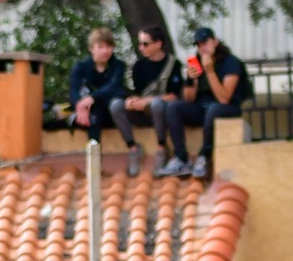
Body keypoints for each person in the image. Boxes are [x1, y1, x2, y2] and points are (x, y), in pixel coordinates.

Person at [153, 27, 250, 179]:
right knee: (173, 107)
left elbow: (224, 98)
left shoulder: (230, 63)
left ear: (215, 42)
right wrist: (191, 79)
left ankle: (204, 156)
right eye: (198, 45)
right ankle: (181, 158)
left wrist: (210, 71)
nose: (202, 48)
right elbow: (189, 98)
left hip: (225, 108)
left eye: (205, 43)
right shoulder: (197, 62)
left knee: (213, 109)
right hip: (202, 108)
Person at [107, 23, 186, 177]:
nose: (141, 47)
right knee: (116, 105)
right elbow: (139, 93)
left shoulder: (173, 64)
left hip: (162, 112)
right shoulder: (139, 66)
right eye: (140, 44)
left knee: (157, 104)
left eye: (145, 43)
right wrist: (133, 101)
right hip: (143, 113)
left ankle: (162, 149)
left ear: (158, 44)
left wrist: (147, 100)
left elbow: (174, 96)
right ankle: (133, 148)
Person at [66, 27, 128, 148]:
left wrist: (92, 98)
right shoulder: (81, 67)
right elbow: (74, 89)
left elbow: (115, 87)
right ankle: (92, 155)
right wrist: (80, 107)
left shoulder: (118, 66)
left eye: (108, 47)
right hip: (88, 111)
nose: (105, 51)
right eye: (101, 47)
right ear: (91, 48)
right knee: (92, 116)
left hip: (109, 110)